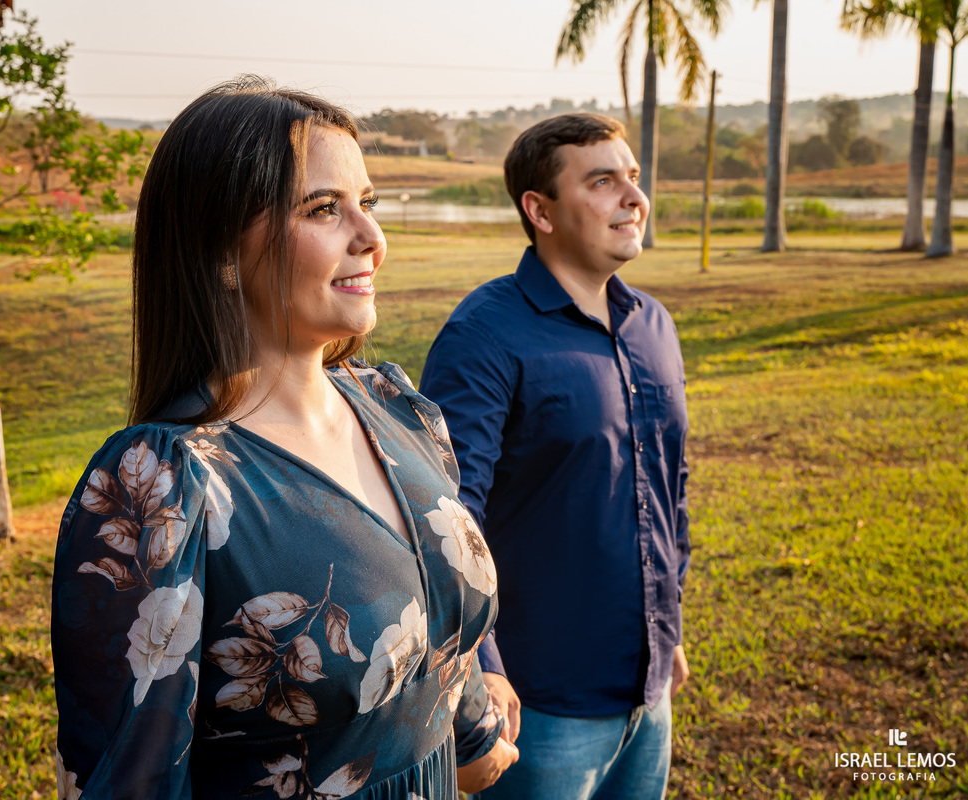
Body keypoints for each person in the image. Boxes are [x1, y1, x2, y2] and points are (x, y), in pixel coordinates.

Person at [50, 77, 518, 800]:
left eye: (370, 204)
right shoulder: (164, 484)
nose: (373, 240)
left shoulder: (396, 406)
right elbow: (129, 781)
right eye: (324, 209)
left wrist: (470, 734)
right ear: (221, 254)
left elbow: (438, 622)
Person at [418, 113, 691, 799]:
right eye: (603, 181)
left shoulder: (654, 325)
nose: (634, 196)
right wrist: (481, 666)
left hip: (648, 693)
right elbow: (445, 519)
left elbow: (669, 490)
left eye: (632, 176)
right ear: (538, 210)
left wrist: (668, 630)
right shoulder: (482, 336)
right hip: (535, 704)